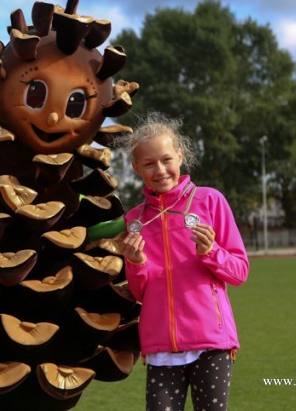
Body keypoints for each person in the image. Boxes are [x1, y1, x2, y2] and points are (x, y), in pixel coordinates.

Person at [118, 113, 249, 410]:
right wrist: (136, 262)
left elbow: (240, 272)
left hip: (211, 342)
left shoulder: (210, 201)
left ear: (180, 156)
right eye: (149, 164)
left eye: (166, 159)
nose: (160, 170)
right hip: (161, 348)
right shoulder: (135, 219)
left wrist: (210, 252)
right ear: (136, 167)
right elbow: (140, 292)